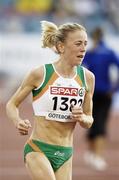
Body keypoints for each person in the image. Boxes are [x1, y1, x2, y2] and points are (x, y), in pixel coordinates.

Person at [6, 21, 95, 180]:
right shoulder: (41, 73)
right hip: (38, 149)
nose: (83, 48)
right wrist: (17, 121)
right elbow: (12, 104)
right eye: (78, 43)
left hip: (66, 154)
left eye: (85, 44)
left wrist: (82, 117)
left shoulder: (88, 78)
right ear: (61, 47)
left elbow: (89, 119)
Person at [83, 27, 119, 171]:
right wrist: (114, 89)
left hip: (91, 93)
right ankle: (96, 156)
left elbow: (79, 69)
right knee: (99, 124)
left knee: (92, 123)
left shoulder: (90, 53)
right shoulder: (109, 52)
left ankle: (93, 154)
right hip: (105, 93)